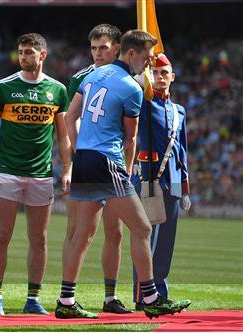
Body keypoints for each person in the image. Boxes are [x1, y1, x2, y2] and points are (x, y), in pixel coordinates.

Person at [58, 29, 191, 319]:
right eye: (145, 58)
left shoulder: (93, 75)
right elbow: (130, 139)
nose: (147, 65)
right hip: (108, 162)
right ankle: (151, 297)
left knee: (82, 234)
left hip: (84, 159)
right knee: (142, 228)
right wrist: (124, 167)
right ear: (131, 54)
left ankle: (66, 302)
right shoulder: (132, 88)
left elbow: (70, 117)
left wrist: (77, 153)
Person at [0, 33, 69, 315]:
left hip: (41, 174)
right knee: (2, 235)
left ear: (43, 55)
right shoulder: (4, 87)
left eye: (29, 52)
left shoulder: (57, 90)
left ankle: (33, 299)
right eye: (20, 52)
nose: (23, 56)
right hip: (8, 172)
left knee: (39, 239)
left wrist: (67, 168)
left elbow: (63, 136)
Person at [65, 24, 132, 314]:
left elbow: (131, 131)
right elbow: (70, 120)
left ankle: (110, 297)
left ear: (117, 48)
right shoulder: (80, 79)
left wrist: (127, 167)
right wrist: (76, 158)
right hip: (89, 163)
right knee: (79, 232)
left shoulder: (128, 80)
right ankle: (67, 296)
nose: (98, 53)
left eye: (103, 48)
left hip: (113, 164)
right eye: (93, 48)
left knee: (114, 233)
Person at [132, 54, 191, 310]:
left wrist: (186, 189)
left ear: (172, 76)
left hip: (174, 181)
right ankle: (144, 296)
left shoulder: (179, 111)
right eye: (155, 73)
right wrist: (137, 80)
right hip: (151, 179)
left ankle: (160, 292)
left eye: (164, 73)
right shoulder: (144, 104)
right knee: (149, 239)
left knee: (166, 242)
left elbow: (183, 152)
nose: (160, 77)